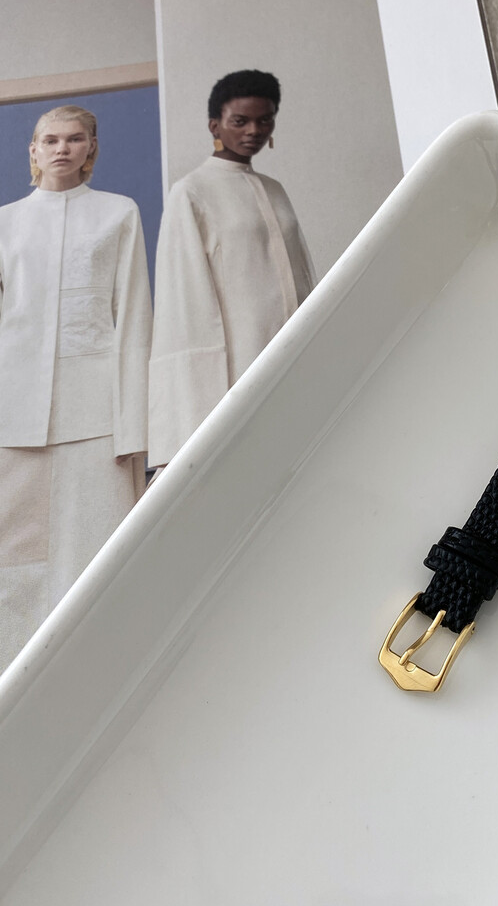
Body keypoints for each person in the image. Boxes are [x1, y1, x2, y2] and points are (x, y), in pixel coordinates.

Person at [0, 105, 152, 668]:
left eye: (74, 138)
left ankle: (102, 667)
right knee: (15, 560)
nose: (61, 148)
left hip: (97, 416)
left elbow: (133, 317)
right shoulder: (5, 222)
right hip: (13, 413)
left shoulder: (119, 213)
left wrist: (136, 427)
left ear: (91, 148)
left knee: (100, 551)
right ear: (33, 151)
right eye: (50, 140)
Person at [147, 69, 316, 467]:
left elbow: (303, 274)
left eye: (264, 120)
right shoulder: (191, 191)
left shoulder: (274, 189)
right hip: (238, 358)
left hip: (292, 348)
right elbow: (184, 300)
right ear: (215, 125)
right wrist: (201, 395)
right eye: (240, 121)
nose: (253, 130)